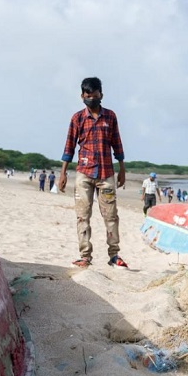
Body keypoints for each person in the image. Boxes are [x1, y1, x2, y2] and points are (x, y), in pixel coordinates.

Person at [58, 76, 129, 269]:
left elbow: (117, 144)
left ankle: (114, 255)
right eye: (87, 95)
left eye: (94, 95)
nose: (91, 98)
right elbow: (69, 147)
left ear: (101, 95)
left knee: (111, 216)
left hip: (106, 174)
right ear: (82, 96)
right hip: (83, 173)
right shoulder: (77, 118)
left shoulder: (110, 117)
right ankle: (85, 256)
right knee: (83, 215)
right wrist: (63, 174)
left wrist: (122, 168)